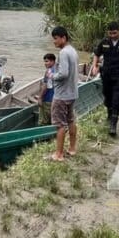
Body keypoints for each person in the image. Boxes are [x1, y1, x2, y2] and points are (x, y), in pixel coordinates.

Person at [91, 22, 119, 136]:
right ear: (108, 32)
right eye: (110, 33)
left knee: (117, 99)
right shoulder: (104, 42)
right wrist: (95, 66)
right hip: (106, 75)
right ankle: (109, 113)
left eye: (115, 33)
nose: (112, 35)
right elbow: (96, 54)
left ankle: (113, 124)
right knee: (108, 98)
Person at [49, 26, 79, 161]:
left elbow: (64, 73)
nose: (54, 42)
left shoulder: (63, 53)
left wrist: (52, 76)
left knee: (60, 124)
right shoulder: (73, 51)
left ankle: (59, 154)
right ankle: (72, 149)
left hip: (62, 95)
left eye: (55, 39)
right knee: (71, 120)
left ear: (63, 38)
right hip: (72, 93)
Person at [38, 53, 56, 125]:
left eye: (47, 61)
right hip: (56, 100)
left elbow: (46, 86)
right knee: (54, 120)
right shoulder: (59, 70)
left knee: (43, 122)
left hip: (48, 100)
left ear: (52, 61)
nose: (45, 63)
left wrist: (40, 98)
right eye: (44, 61)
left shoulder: (49, 71)